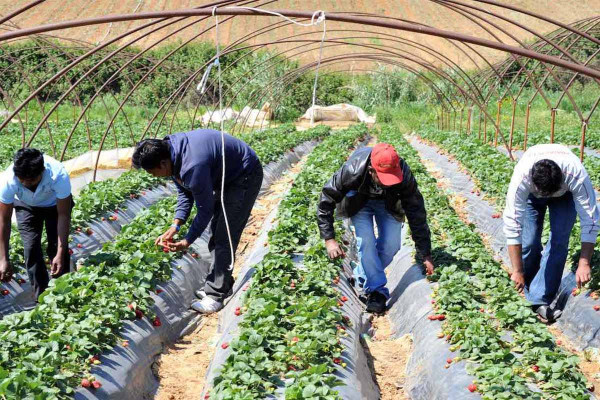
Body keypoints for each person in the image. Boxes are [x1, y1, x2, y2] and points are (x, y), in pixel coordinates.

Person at [132, 129, 262, 314]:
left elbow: (205, 209)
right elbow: (185, 192)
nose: (154, 177)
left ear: (162, 163)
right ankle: (219, 283)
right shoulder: (171, 152)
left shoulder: (192, 164)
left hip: (243, 175)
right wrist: (175, 225)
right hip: (225, 176)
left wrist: (187, 240)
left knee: (224, 233)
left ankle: (216, 295)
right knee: (217, 230)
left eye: (153, 173)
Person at [317, 143, 435, 313]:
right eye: (383, 178)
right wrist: (329, 239)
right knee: (366, 242)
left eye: (391, 177)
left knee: (391, 245)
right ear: (371, 170)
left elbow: (416, 211)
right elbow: (326, 199)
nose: (388, 182)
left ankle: (360, 275)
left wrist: (425, 253)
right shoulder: (352, 170)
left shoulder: (403, 173)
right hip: (360, 202)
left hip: (388, 203)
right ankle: (377, 292)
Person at [504, 143, 599, 322]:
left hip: (564, 195)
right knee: (530, 241)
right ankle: (528, 287)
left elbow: (590, 220)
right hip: (533, 195)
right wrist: (517, 270)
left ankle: (540, 299)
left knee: (559, 241)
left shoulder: (575, 175)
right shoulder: (523, 177)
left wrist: (584, 263)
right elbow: (512, 223)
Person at [0, 148, 73, 299]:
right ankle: (42, 297)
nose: (26, 184)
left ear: (43, 171)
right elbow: (4, 220)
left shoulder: (58, 175)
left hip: (55, 206)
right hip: (26, 206)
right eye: (22, 180)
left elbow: (63, 215)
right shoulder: (8, 180)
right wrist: (3, 258)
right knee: (31, 247)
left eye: (32, 180)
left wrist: (60, 252)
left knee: (57, 248)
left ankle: (63, 293)